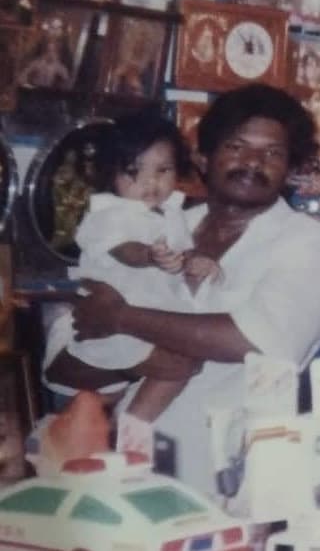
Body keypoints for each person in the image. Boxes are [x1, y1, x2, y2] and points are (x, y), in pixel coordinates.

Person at [45, 84, 320, 496]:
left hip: (227, 476)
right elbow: (63, 365)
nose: (253, 162)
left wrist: (121, 318)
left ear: (290, 168)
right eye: (237, 146)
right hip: (124, 471)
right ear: (203, 157)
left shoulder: (305, 242)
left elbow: (256, 339)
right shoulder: (154, 226)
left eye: (273, 153)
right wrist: (135, 363)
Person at [47, 109, 219, 421]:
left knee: (114, 397)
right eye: (132, 171)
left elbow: (183, 254)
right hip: (113, 330)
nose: (149, 183)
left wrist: (196, 261)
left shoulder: (172, 213)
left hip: (152, 322)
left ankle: (125, 432)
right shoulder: (109, 214)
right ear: (110, 175)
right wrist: (149, 255)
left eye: (162, 170)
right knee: (176, 368)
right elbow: (124, 251)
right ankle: (130, 433)